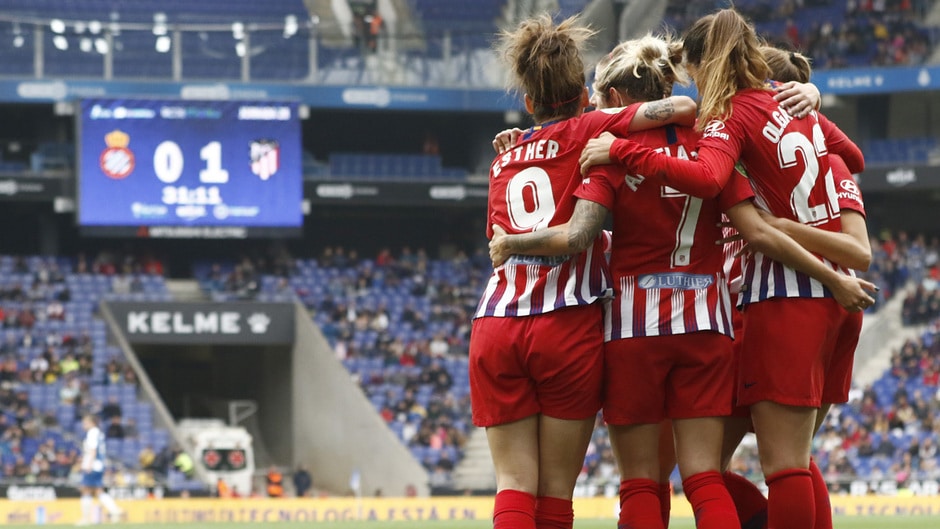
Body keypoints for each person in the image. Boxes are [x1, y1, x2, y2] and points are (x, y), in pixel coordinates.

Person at [488, 33, 864, 529]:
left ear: (617, 99)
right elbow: (759, 207)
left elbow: (581, 230)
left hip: (631, 326)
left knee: (641, 482)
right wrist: (805, 97)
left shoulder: (608, 152)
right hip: (707, 323)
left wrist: (528, 152)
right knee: (707, 477)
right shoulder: (713, 140)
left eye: (603, 96)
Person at [471, 14, 698, 529]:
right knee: (554, 493)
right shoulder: (592, 127)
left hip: (495, 326)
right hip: (565, 326)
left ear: (528, 103)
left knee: (513, 484)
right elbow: (682, 109)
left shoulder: (501, 160)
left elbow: (506, 232)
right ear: (582, 92)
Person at [718, 45, 874, 529]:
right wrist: (815, 98)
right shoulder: (831, 159)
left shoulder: (740, 148)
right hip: (834, 305)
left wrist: (776, 225)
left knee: (715, 466)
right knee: (797, 457)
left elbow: (858, 251)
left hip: (776, 303)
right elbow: (856, 158)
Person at [78, 414, 122, 525]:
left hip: (93, 466)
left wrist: (88, 464)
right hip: (98, 465)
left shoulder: (92, 432)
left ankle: (86, 519)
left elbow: (93, 450)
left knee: (85, 490)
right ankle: (115, 510)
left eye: (85, 422)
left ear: (91, 422)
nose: (83, 425)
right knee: (98, 491)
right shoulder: (98, 432)